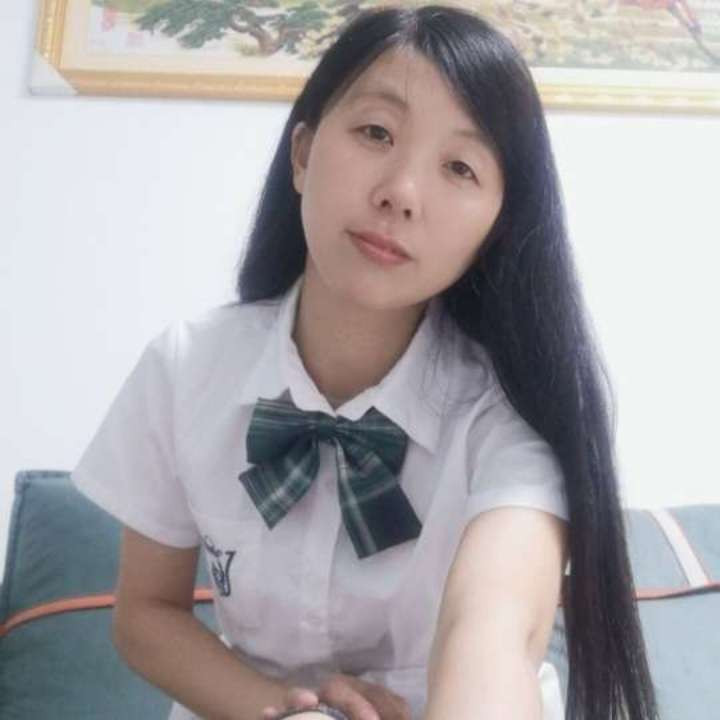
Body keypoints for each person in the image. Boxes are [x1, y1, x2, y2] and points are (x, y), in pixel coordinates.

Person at [71, 4, 660, 720]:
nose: (401, 193)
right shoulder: (187, 367)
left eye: (460, 167)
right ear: (302, 154)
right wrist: (288, 710)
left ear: (496, 228)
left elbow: (494, 634)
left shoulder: (513, 413)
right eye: (376, 132)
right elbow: (145, 614)